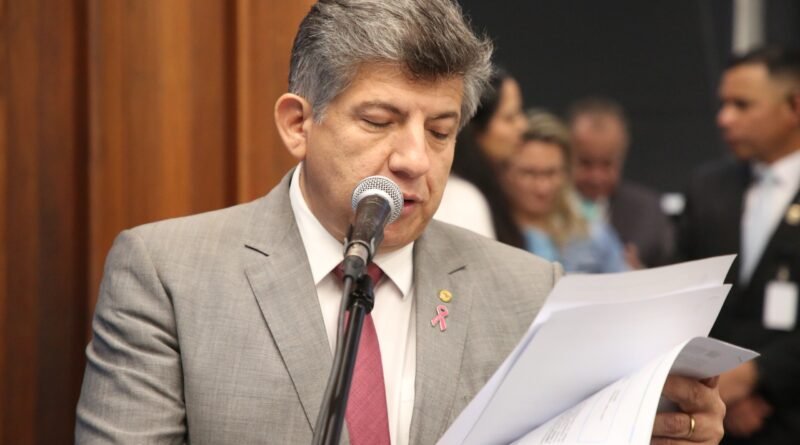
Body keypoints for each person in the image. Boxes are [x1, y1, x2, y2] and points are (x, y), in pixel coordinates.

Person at [76, 1, 725, 444]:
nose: (414, 159)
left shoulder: (528, 288)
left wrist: (658, 426)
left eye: (440, 130)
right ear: (298, 125)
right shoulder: (169, 274)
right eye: (379, 121)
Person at [678, 45, 800, 445]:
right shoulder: (707, 186)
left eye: (742, 105)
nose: (724, 118)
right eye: (723, 104)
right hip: (706, 413)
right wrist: (714, 384)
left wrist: (756, 379)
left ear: (794, 106)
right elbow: (683, 290)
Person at [502, 109, 629, 273]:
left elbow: (625, 283)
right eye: (529, 173)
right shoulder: (490, 231)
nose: (542, 187)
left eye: (551, 173)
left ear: (566, 172)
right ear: (505, 171)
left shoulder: (592, 235)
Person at [568, 97, 675, 268]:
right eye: (586, 163)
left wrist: (642, 274)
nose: (596, 178)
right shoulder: (543, 209)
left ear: (622, 159)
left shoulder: (648, 212)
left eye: (607, 164)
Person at [441, 68, 528, 247]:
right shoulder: (461, 199)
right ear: (474, 126)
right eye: (509, 117)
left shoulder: (489, 191)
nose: (523, 126)